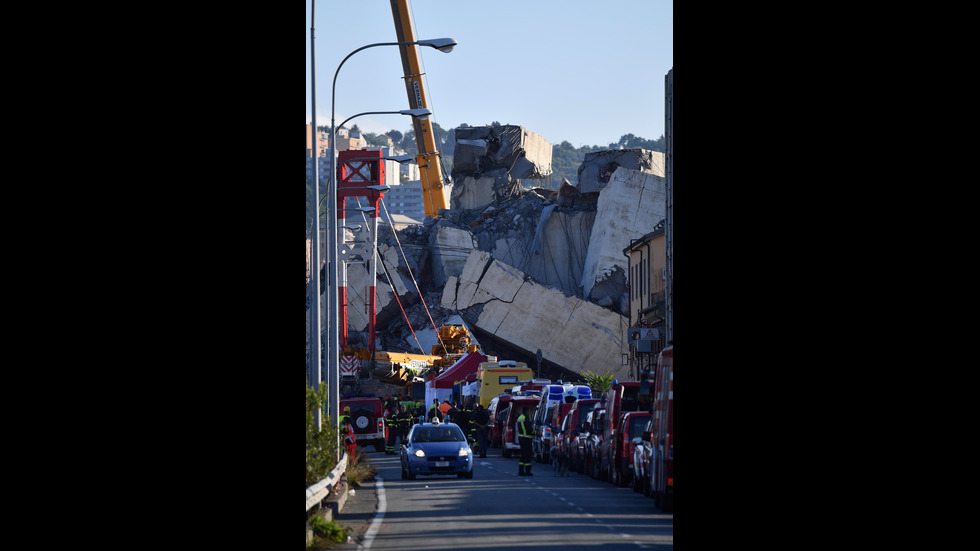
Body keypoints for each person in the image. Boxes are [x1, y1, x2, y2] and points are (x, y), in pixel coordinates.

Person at [517, 406, 533, 476]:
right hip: (526, 438)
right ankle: (528, 471)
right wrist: (535, 433)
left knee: (523, 455)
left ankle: (521, 471)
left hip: (521, 438)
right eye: (529, 410)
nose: (530, 412)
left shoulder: (520, 417)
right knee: (527, 455)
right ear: (527, 411)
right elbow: (529, 429)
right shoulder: (526, 418)